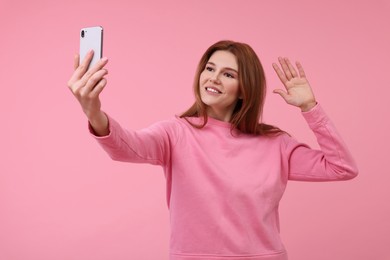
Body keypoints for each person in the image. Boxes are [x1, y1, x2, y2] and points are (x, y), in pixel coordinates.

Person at [67, 40, 358, 260]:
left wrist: (310, 108)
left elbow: (341, 167)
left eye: (228, 74)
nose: (213, 78)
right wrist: (94, 112)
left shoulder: (276, 144)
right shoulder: (177, 132)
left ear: (245, 89)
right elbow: (126, 146)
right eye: (209, 68)